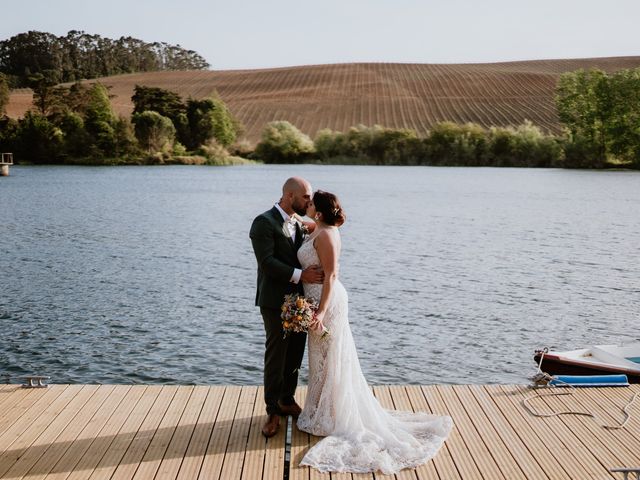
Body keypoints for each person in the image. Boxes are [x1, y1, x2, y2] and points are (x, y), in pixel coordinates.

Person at [296, 190, 453, 474]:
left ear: (318, 212)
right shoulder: (317, 228)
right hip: (315, 299)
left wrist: (319, 311)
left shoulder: (327, 235)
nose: (306, 206)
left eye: (309, 204)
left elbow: (331, 276)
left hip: (327, 303)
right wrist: (293, 216)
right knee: (320, 359)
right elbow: (305, 225)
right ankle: (322, 411)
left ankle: (330, 416)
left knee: (330, 358)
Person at [250, 177, 324, 438]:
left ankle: (287, 399)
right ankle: (272, 409)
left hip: (301, 300)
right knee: (276, 354)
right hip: (274, 301)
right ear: (290, 195)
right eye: (306, 197)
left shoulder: (299, 222)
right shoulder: (263, 222)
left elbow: (323, 226)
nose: (309, 201)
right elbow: (267, 262)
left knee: (295, 351)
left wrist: (326, 222)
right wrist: (301, 275)